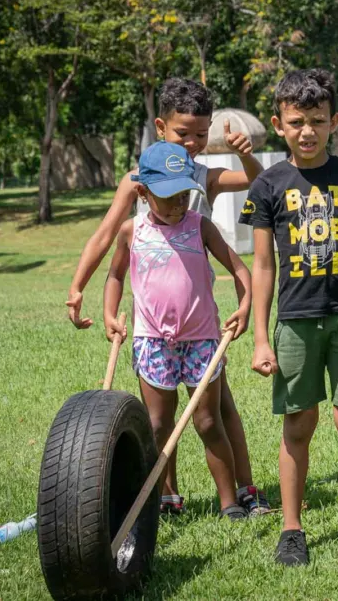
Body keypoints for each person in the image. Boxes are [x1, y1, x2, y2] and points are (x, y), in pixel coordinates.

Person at [67, 77, 270, 516]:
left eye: (202, 133)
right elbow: (106, 237)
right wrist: (78, 285)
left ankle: (243, 491)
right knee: (161, 419)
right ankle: (166, 495)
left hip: (200, 322)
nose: (193, 143)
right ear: (161, 127)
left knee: (217, 414)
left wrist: (244, 154)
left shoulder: (204, 176)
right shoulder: (137, 181)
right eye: (183, 133)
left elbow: (260, 184)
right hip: (157, 326)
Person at [240, 69, 338, 565]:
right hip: (295, 321)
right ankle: (292, 529)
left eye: (317, 121)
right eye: (296, 122)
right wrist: (260, 338)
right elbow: (262, 266)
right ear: (278, 124)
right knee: (298, 423)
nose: (307, 131)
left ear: (334, 121)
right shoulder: (267, 185)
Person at [102, 142, 253, 519]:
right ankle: (165, 498)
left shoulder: (200, 226)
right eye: (168, 196)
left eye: (184, 194)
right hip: (153, 342)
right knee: (157, 425)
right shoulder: (131, 231)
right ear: (142, 192)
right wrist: (109, 314)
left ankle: (229, 502)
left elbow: (240, 269)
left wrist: (245, 305)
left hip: (201, 341)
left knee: (208, 421)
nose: (178, 204)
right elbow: (116, 275)